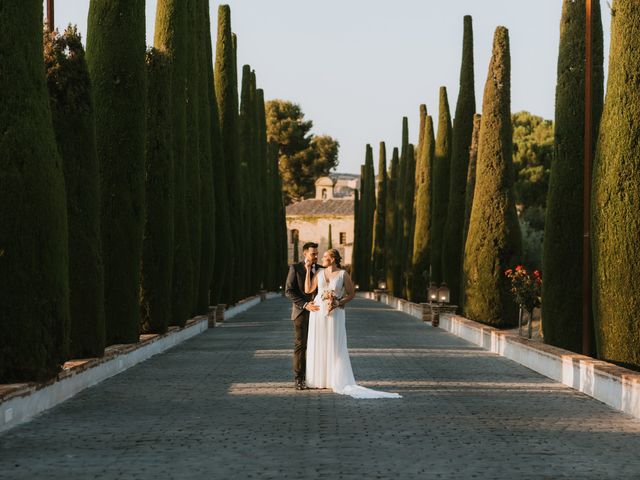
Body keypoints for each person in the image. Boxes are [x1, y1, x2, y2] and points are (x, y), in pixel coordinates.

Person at [304, 249, 401, 399]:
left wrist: (338, 302)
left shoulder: (343, 274)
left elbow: (351, 294)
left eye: (325, 257)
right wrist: (308, 270)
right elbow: (308, 289)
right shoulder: (319, 273)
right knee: (320, 342)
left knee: (335, 343)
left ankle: (333, 379)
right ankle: (319, 379)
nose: (322, 259)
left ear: (333, 259)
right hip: (318, 311)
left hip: (336, 311)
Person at [285, 242, 321, 390]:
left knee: (317, 346)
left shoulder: (321, 269)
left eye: (317, 254)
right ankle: (299, 378)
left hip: (319, 313)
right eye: (313, 254)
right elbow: (289, 291)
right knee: (301, 346)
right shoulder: (295, 268)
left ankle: (315, 377)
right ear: (305, 253)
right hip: (301, 313)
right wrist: (305, 305)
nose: (316, 256)